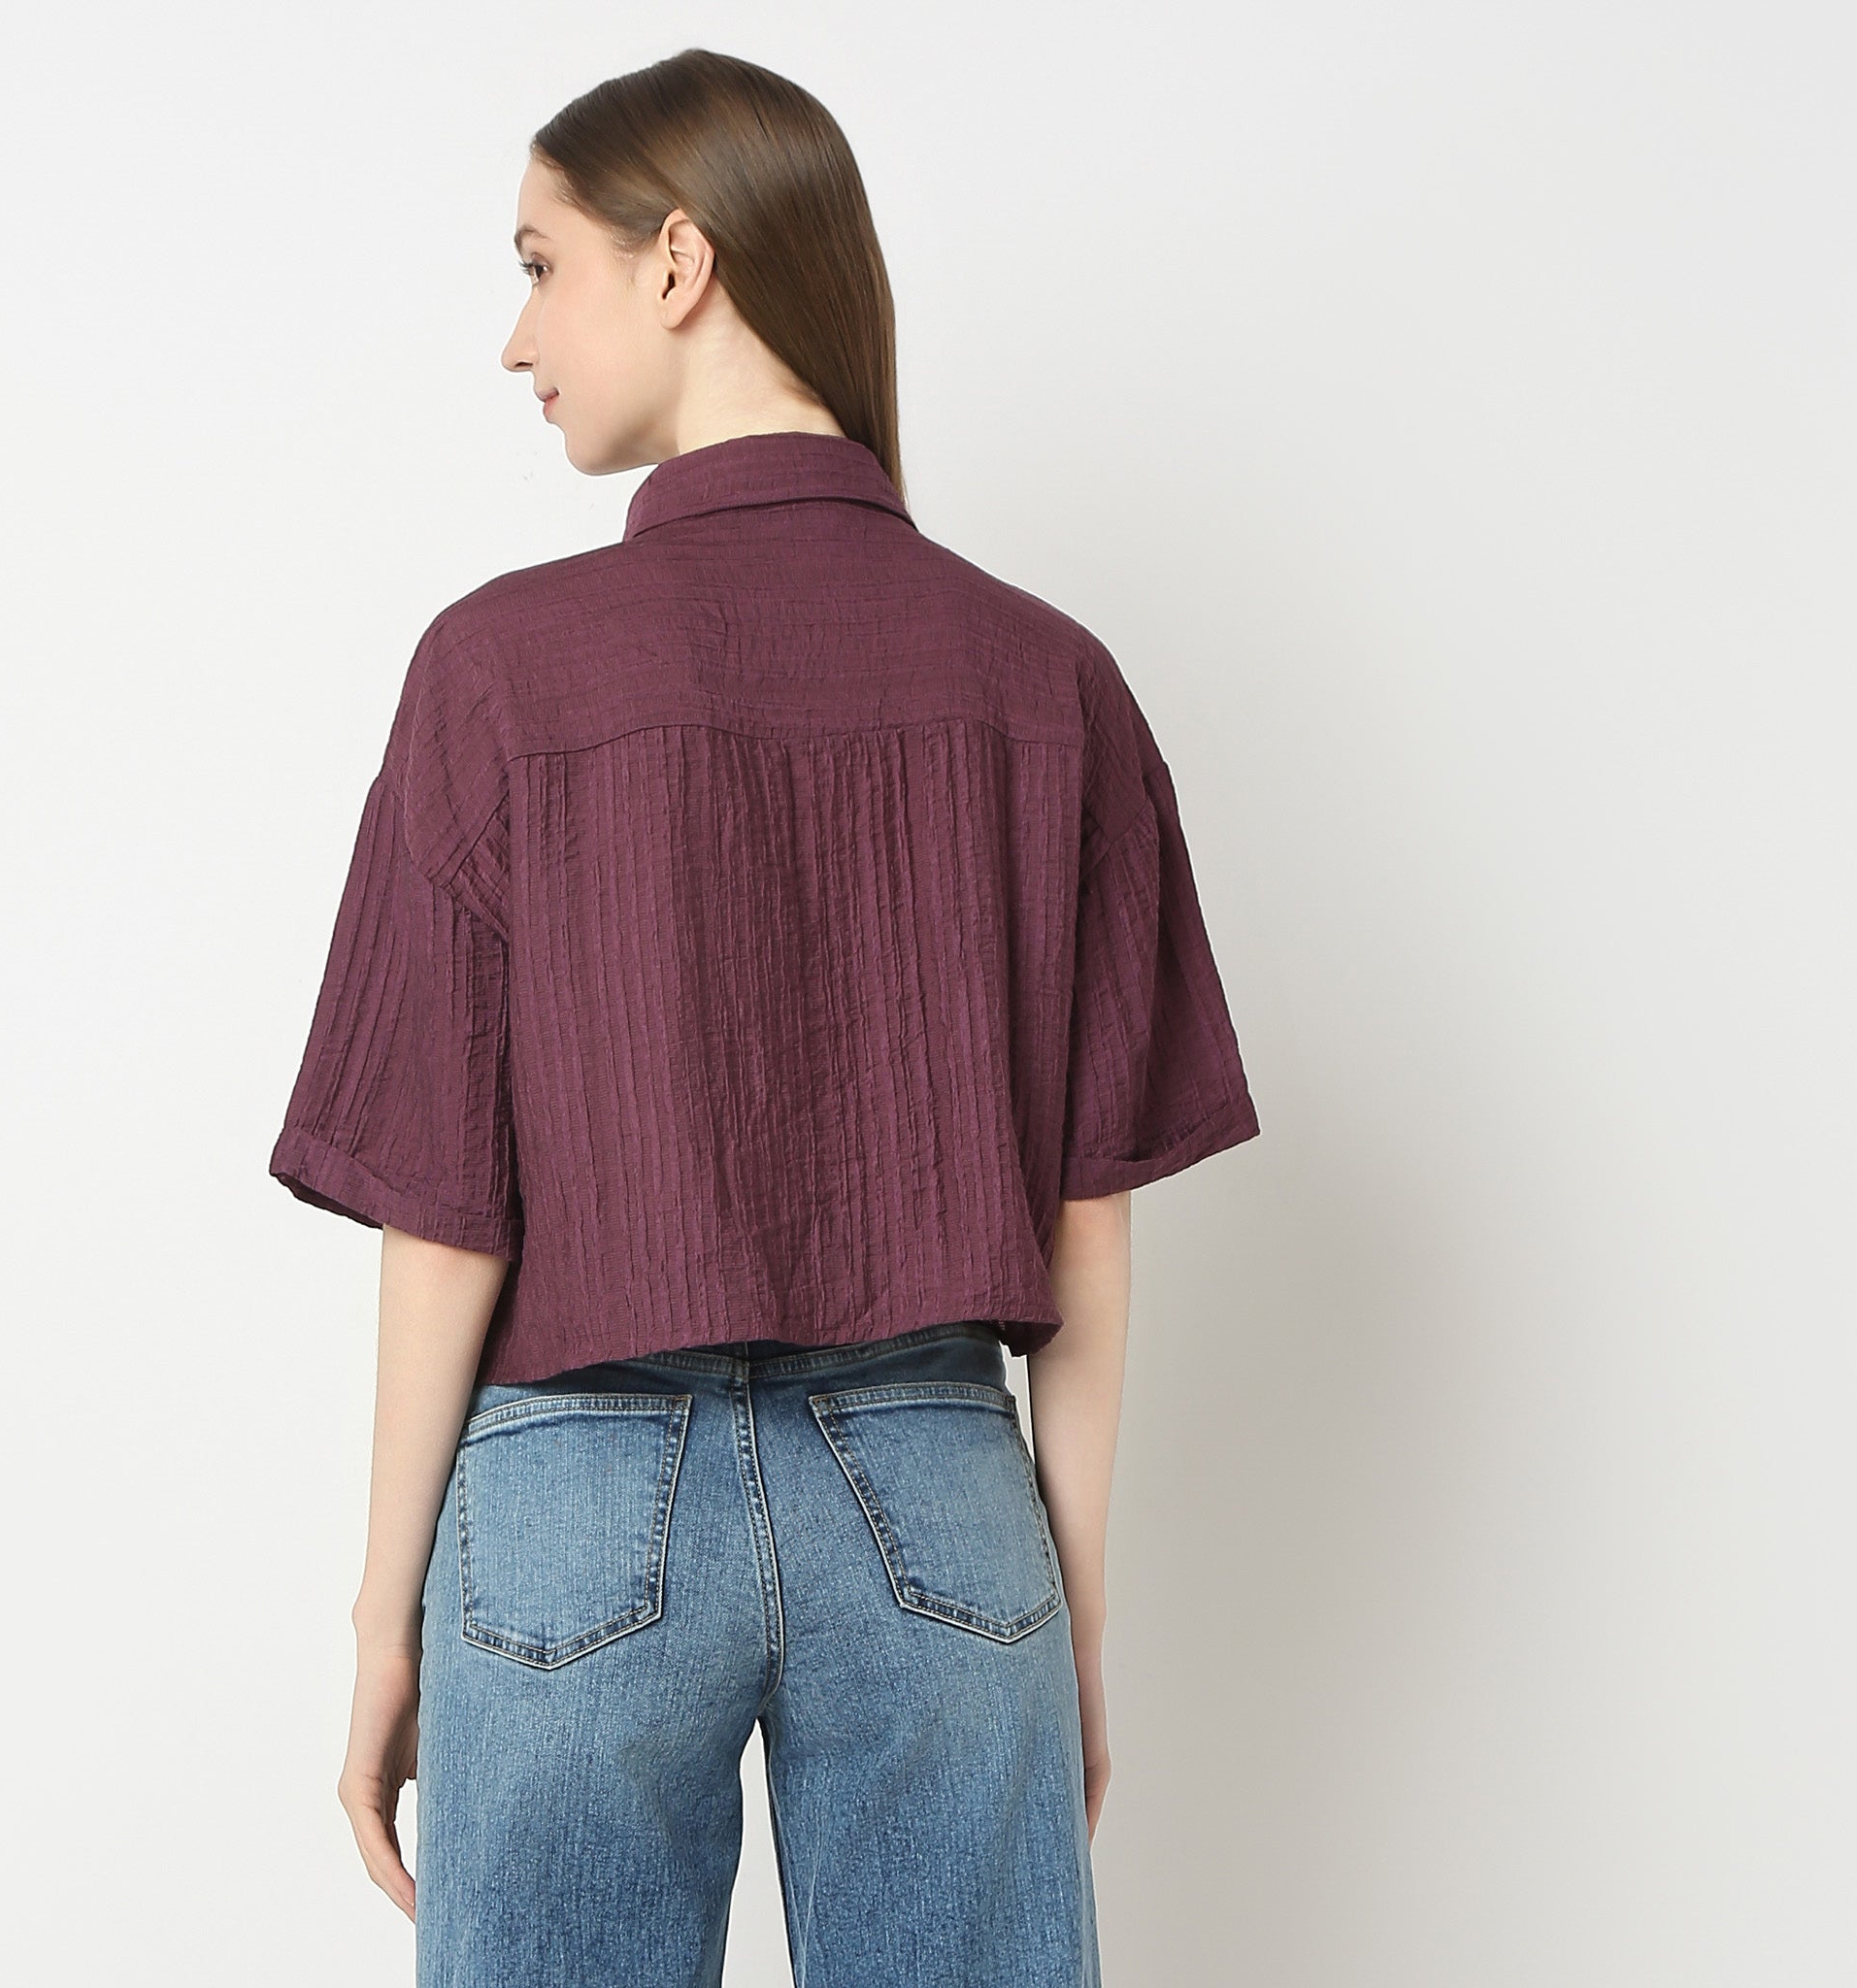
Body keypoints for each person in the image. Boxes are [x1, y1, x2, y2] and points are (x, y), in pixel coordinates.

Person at [268, 46, 1260, 1988]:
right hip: (941, 1489)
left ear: (679, 261)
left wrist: (384, 1621)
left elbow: (446, 1212)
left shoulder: (500, 672)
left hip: (568, 1497)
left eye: (539, 264)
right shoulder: (1045, 677)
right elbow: (1089, 1211)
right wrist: (1068, 1610)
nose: (514, 336)